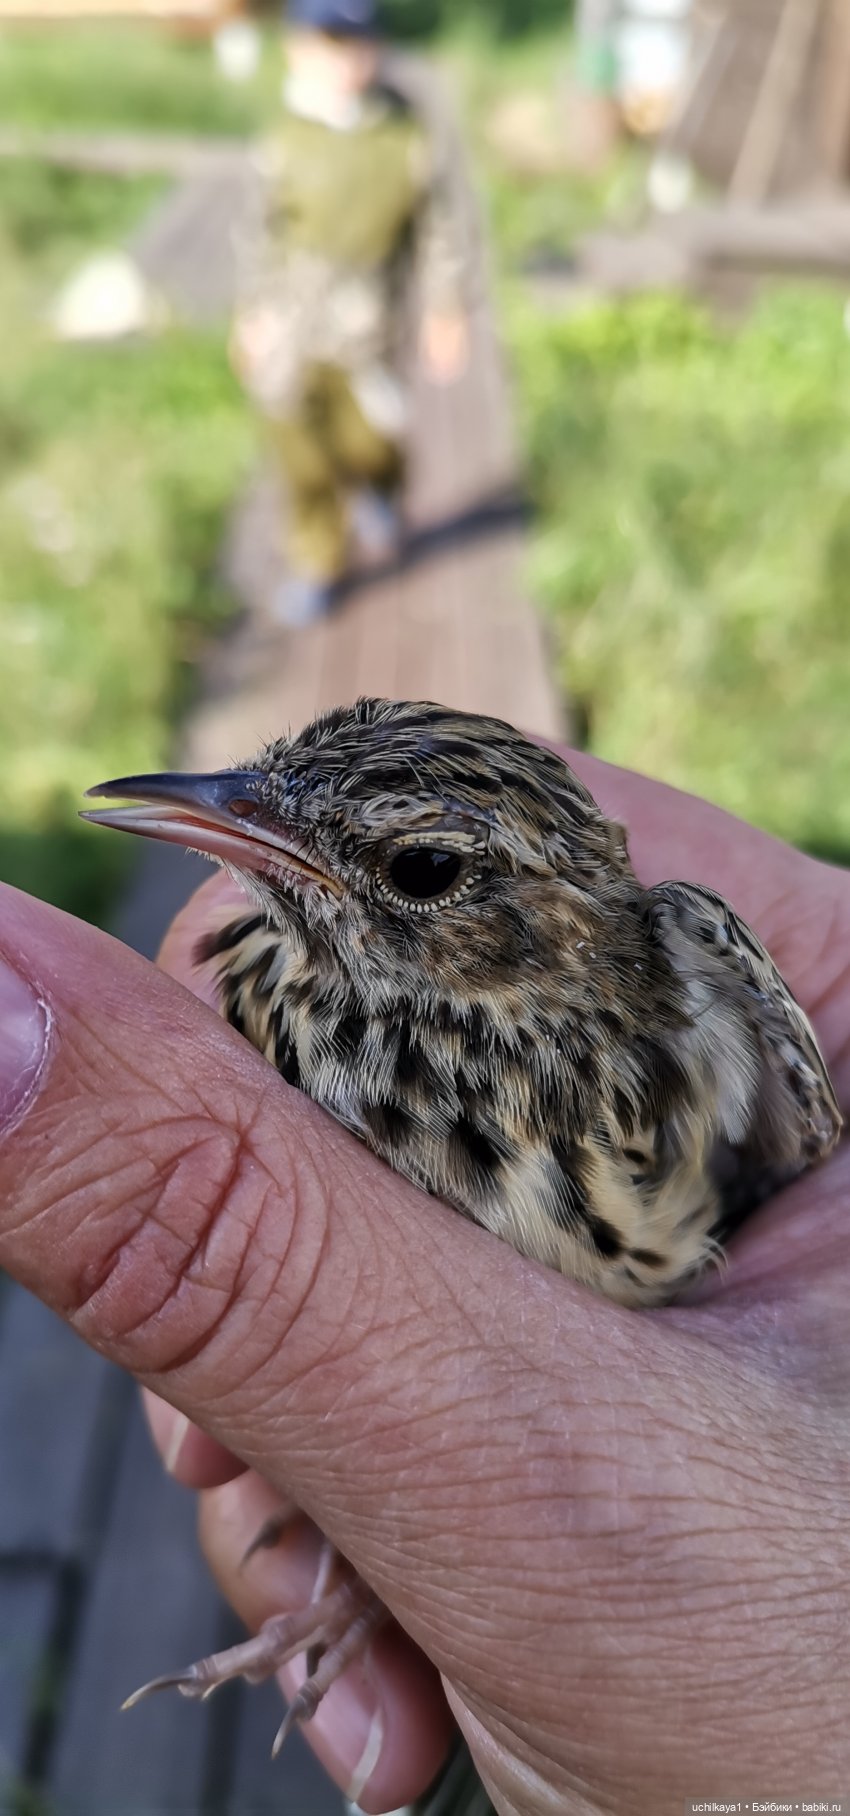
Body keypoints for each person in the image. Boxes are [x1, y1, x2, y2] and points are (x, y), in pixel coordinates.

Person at [0, 751, 847, 1813]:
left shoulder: (669, 1008)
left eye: (420, 867)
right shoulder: (259, 970)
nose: (233, 809)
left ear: (538, 926)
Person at [230, 0, 470, 628]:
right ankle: (316, 562)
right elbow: (257, 234)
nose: (346, 61)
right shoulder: (284, 137)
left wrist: (445, 308)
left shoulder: (402, 133)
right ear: (298, 49)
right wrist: (250, 314)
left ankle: (380, 491)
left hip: (369, 326)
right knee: (300, 452)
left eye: (359, 44)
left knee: (371, 439)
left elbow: (437, 228)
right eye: (330, 43)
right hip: (291, 327)